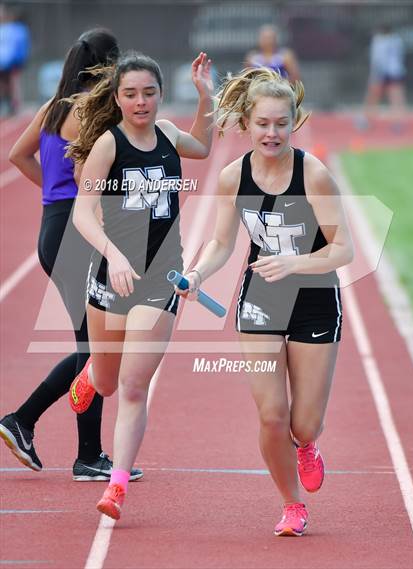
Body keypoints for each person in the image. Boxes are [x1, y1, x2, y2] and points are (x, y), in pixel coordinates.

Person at [177, 67, 353, 536]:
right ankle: (291, 504)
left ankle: (308, 445)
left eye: (280, 123)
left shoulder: (313, 175)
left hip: (315, 300)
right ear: (247, 124)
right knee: (271, 415)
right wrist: (196, 274)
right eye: (263, 123)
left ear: (292, 123)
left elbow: (343, 250)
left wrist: (295, 263)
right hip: (260, 303)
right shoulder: (235, 177)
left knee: (304, 423)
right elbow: (220, 243)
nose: (271, 132)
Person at [66, 51, 213, 519]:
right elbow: (83, 212)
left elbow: (204, 147)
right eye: (130, 94)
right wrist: (113, 254)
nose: (141, 102)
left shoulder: (169, 134)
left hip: (161, 277)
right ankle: (90, 373)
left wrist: (206, 96)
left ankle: (116, 485)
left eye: (149, 92)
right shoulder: (109, 145)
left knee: (132, 386)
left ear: (160, 95)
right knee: (107, 382)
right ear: (117, 98)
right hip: (113, 276)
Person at [0, 29, 142, 482]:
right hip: (76, 235)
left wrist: (57, 197)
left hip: (55, 228)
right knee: (95, 348)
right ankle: (66, 445)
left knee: (92, 345)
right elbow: (88, 174)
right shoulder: (91, 112)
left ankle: (42, 431)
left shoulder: (53, 106)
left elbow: (17, 156)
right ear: (108, 67)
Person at [359, 25, 406, 131]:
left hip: (381, 72)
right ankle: (398, 123)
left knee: (373, 97)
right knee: (396, 98)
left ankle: (366, 120)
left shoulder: (378, 41)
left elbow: (378, 59)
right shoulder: (397, 40)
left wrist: (375, 75)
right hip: (396, 71)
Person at [0, 4, 30, 115]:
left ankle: (16, 105)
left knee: (14, 83)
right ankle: (6, 104)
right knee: (3, 85)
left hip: (12, 62)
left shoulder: (16, 29)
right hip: (3, 63)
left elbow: (18, 46)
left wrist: (17, 60)